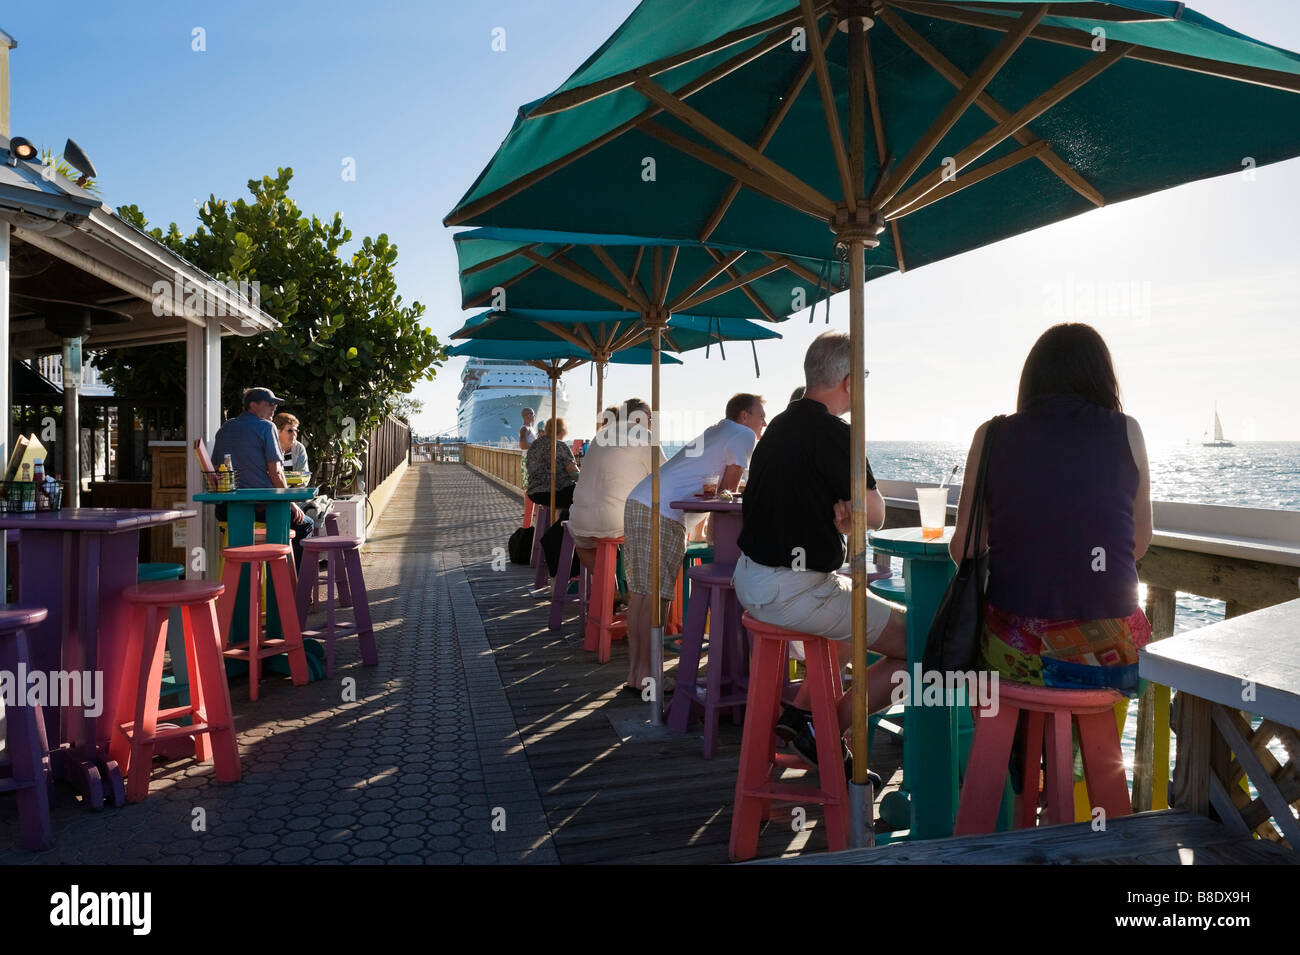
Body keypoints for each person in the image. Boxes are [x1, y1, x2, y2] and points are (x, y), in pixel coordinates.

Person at [733, 331, 907, 777]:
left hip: (755, 579)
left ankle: (799, 715)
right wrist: (855, 517)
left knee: (849, 611)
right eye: (863, 377)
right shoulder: (834, 433)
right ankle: (827, 728)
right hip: (793, 590)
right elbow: (877, 513)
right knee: (921, 642)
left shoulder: (778, 428)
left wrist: (845, 524)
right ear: (848, 382)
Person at [951, 323, 1153, 694]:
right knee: (1089, 702)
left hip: (1015, 651)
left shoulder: (991, 435)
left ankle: (1015, 752)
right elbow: (1138, 544)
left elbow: (964, 549)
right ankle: (1081, 749)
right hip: (1110, 652)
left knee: (1004, 688)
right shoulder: (1128, 430)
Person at [622, 393, 766, 695]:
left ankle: (638, 674)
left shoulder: (718, 431)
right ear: (743, 416)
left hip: (640, 500)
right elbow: (727, 490)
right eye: (760, 415)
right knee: (656, 596)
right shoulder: (743, 435)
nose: (764, 422)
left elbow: (713, 486)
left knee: (641, 593)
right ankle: (651, 677)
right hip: (660, 510)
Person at [212, 387, 315, 565]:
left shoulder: (226, 427)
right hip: (261, 509)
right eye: (270, 404)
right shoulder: (267, 427)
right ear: (253, 405)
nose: (274, 408)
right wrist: (291, 504)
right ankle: (291, 586)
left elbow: (215, 468)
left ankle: (246, 579)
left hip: (226, 511)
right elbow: (275, 472)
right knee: (305, 523)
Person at [567, 399, 663, 579]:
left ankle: (611, 591)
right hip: (617, 522)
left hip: (579, 521)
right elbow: (664, 476)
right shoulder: (643, 435)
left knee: (583, 546)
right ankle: (636, 597)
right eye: (651, 419)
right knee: (661, 535)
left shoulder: (600, 436)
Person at [525, 417, 579, 520]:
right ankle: (564, 527)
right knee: (583, 495)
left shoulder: (534, 445)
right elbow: (574, 473)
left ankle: (557, 524)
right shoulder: (559, 445)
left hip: (534, 493)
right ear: (562, 430)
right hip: (553, 492)